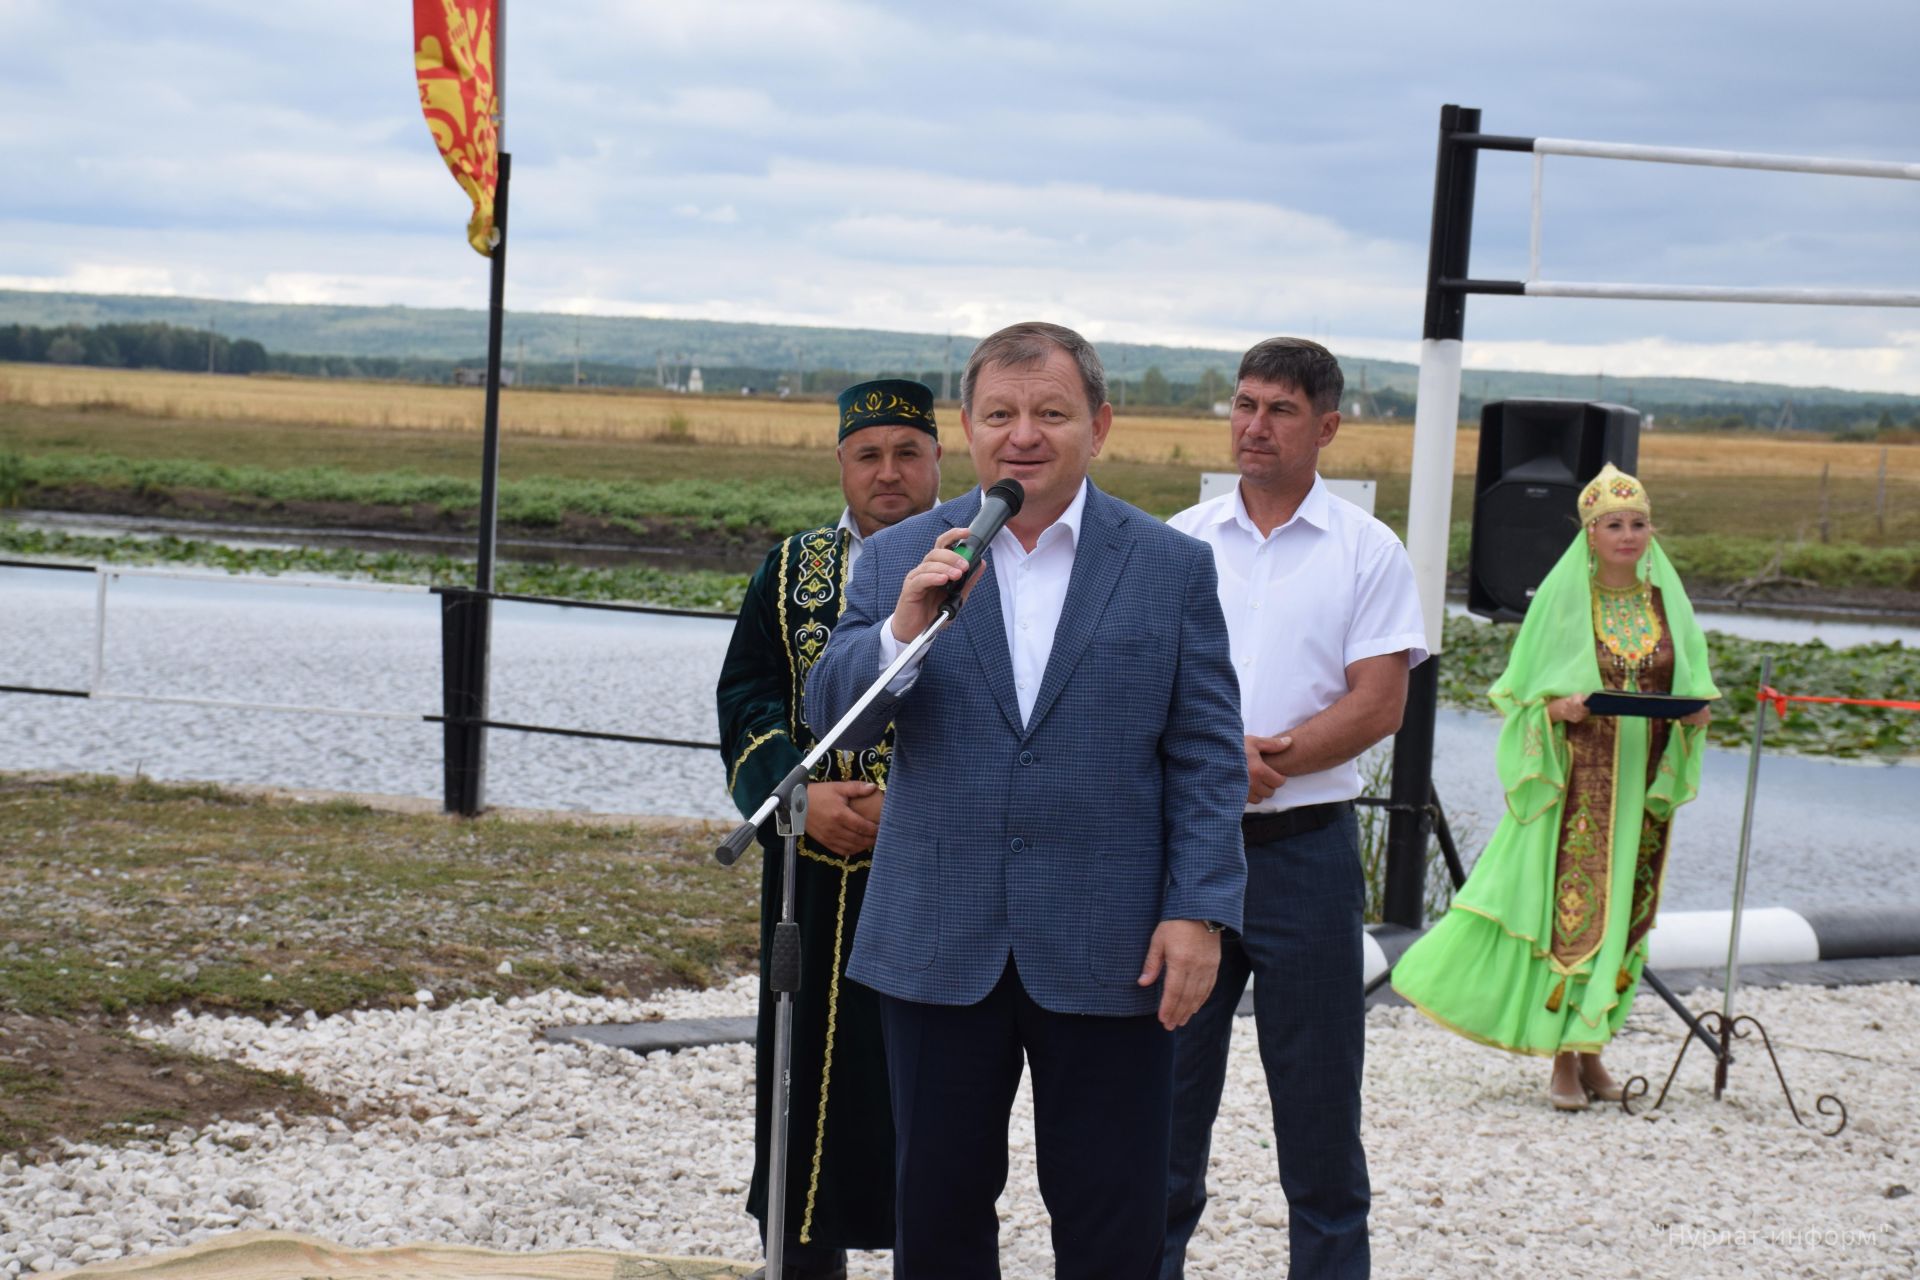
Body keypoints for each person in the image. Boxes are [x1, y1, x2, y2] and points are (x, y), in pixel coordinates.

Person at [804, 321, 1248, 1279]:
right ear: (968, 427)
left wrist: (1199, 910)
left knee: (1113, 1210)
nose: (1024, 435)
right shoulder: (900, 558)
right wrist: (897, 634)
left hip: (1113, 941)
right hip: (936, 936)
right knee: (938, 1208)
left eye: (1052, 413)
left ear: (1100, 424)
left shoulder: (1168, 565)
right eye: (1000, 414)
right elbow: (834, 720)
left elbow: (1207, 754)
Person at [1160, 338, 1427, 1280]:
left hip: (1307, 857)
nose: (1254, 425)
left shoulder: (1367, 550)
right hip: (1189, 856)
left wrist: (1261, 762)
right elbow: (1142, 683)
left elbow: (1378, 700)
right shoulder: (1180, 540)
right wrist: (1216, 762)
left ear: (1327, 425)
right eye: (1243, 405)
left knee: (1318, 1116)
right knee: (1164, 1107)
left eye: (1278, 409)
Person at [1390, 463, 1716, 1110]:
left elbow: (1688, 681)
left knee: (1626, 908)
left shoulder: (1662, 604)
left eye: (1638, 523)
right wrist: (1556, 710)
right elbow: (1521, 692)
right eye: (1613, 525)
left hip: (1641, 783)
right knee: (1575, 912)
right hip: (1579, 786)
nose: (1628, 535)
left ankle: (1591, 1045)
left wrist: (1694, 712)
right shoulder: (1568, 602)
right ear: (1590, 535)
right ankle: (1562, 1056)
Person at [715, 378, 944, 1280]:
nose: (888, 473)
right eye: (868, 455)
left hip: (938, 871)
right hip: (812, 871)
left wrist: (916, 807)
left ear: (937, 459)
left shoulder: (989, 561)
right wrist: (796, 798)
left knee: (935, 1090)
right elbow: (747, 698)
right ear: (842, 464)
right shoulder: (794, 569)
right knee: (802, 1083)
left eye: (907, 453)